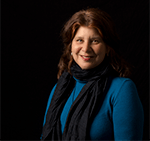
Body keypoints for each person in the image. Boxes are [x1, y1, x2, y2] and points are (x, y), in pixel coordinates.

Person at [40, 8, 144, 141]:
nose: (86, 48)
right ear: (70, 47)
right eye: (79, 40)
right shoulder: (59, 88)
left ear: (107, 48)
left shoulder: (122, 90)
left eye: (95, 41)